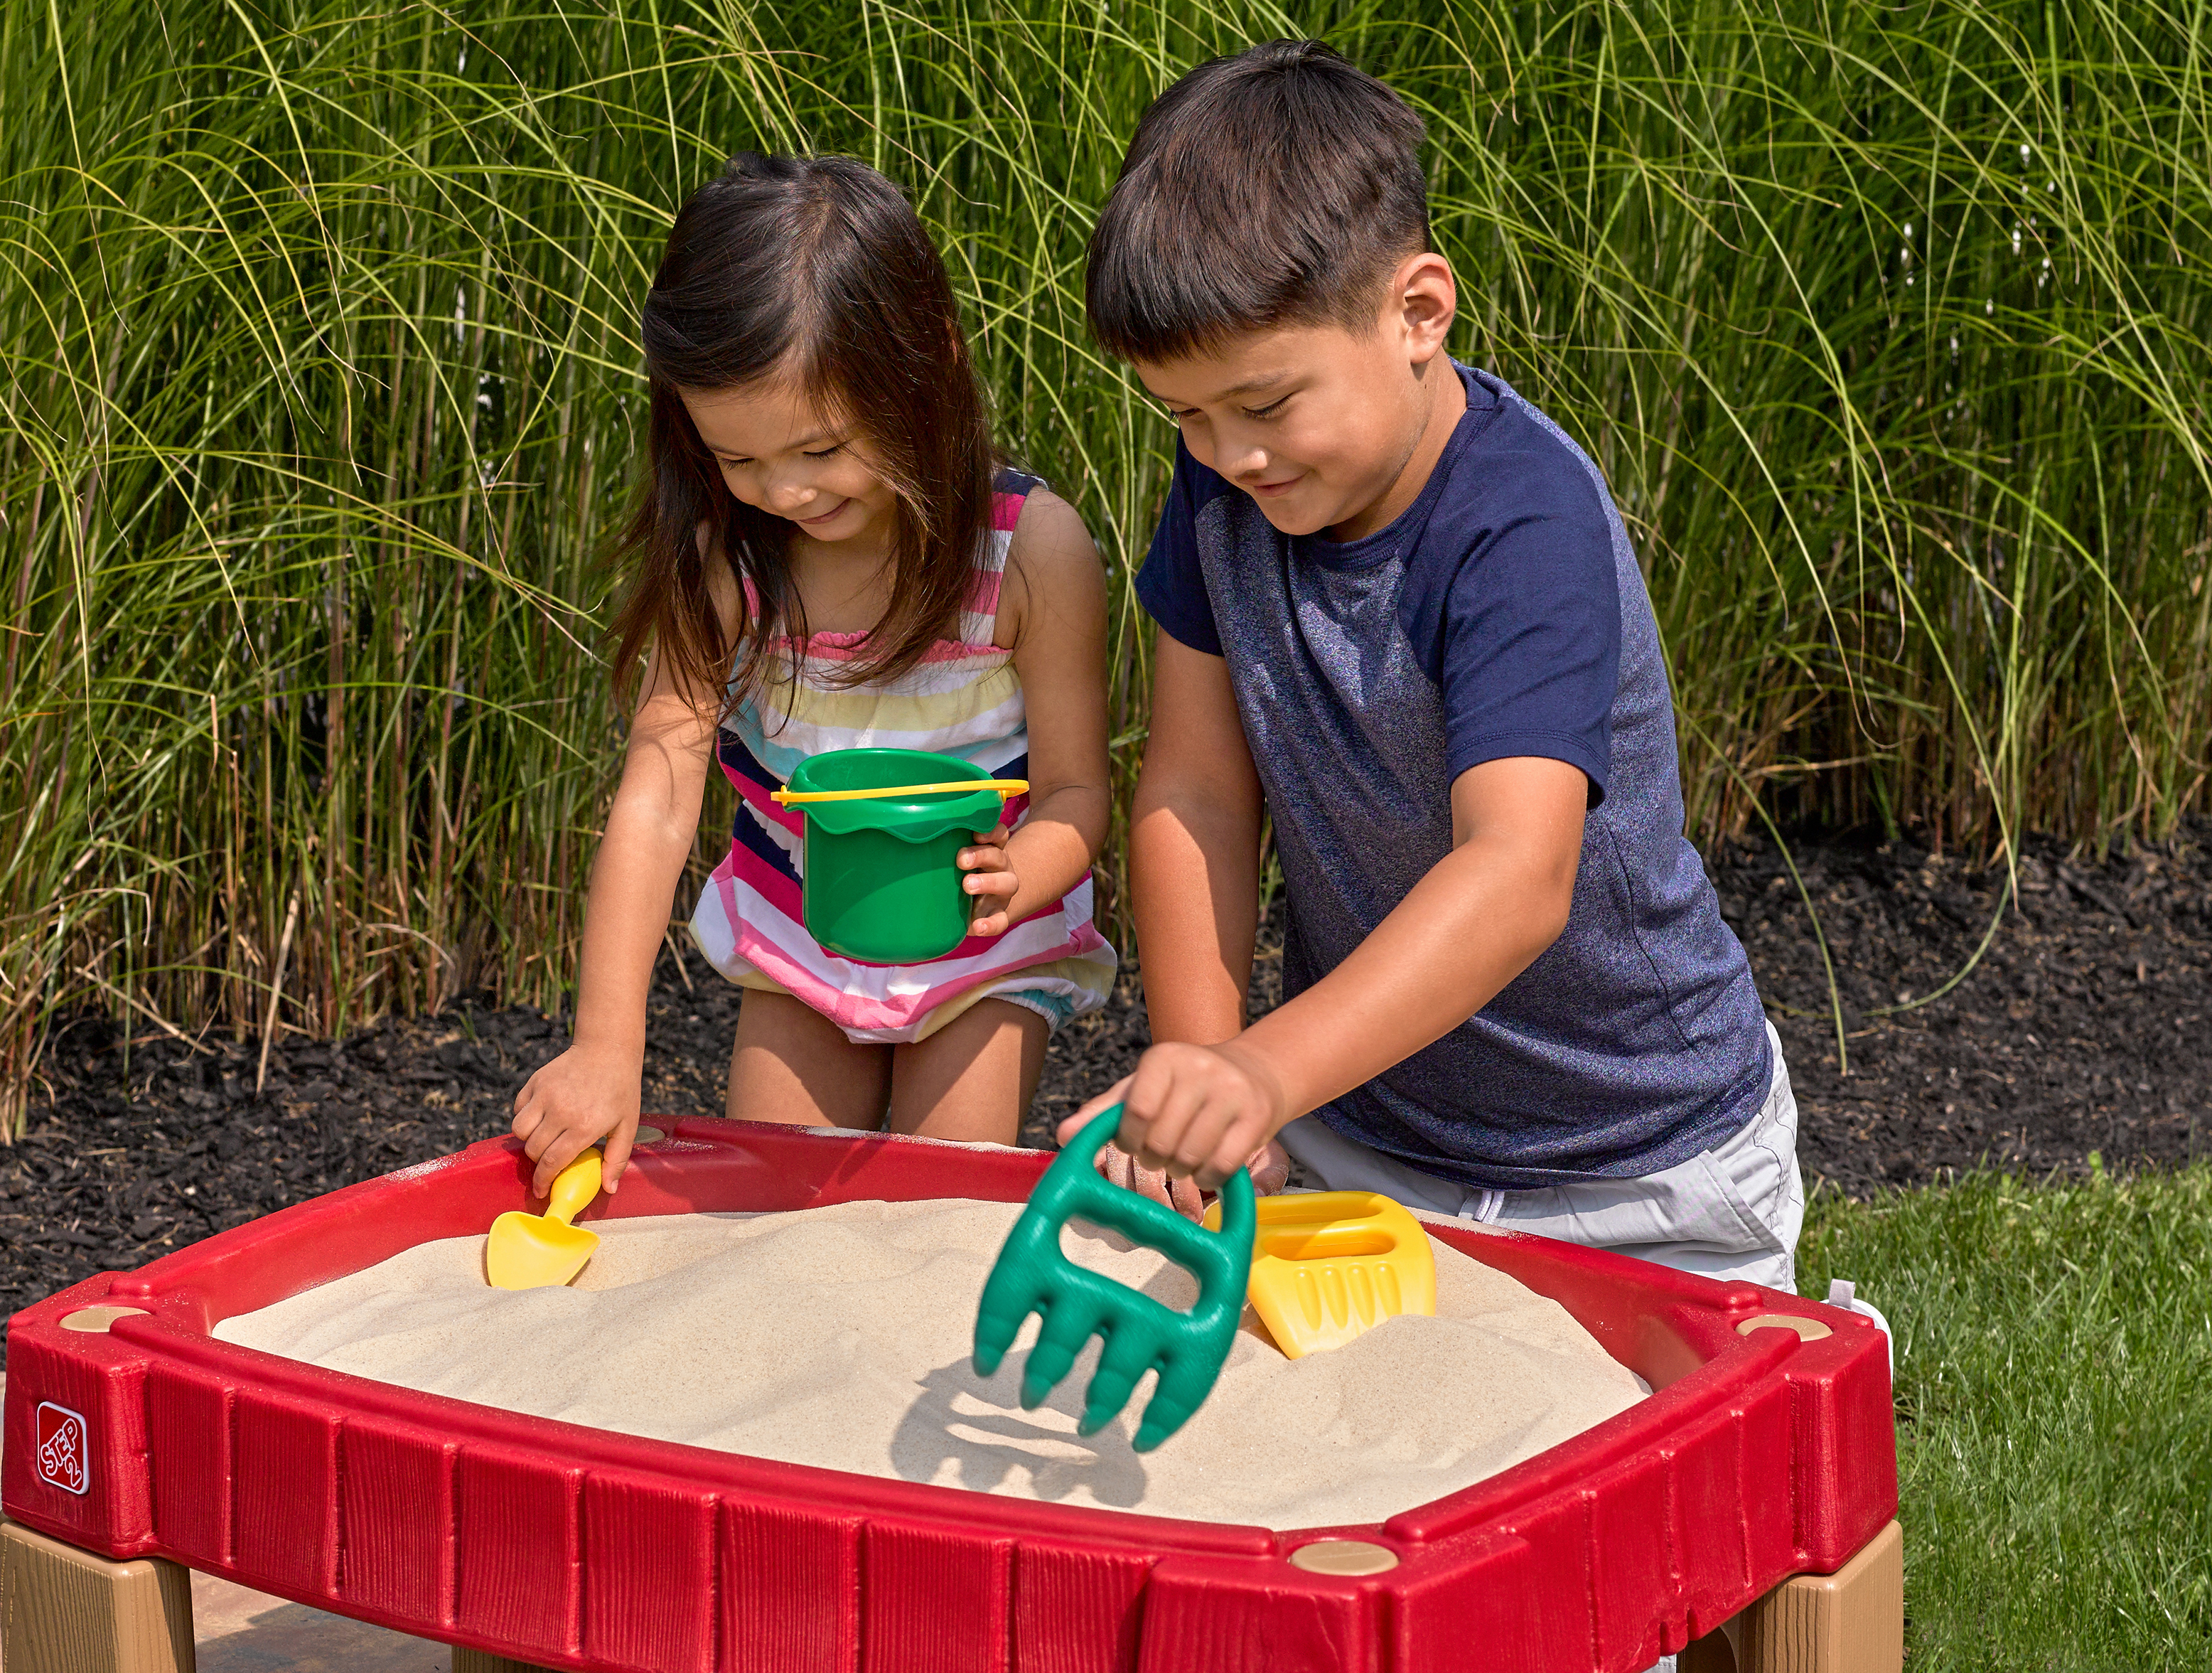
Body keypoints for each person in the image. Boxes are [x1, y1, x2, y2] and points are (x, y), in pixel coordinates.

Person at [1065, 41, 1803, 1317]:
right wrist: (1205, 1061)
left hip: (1642, 1167)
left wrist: (1263, 1074)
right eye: (1183, 416)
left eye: (1266, 402)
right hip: (1369, 1146)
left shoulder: (1522, 527)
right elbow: (1194, 789)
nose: (1230, 455)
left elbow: (1517, 877)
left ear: (1419, 312)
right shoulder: (1227, 489)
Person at [511, 154, 1117, 1199]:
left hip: (984, 950)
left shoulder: (1029, 553)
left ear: (925, 364)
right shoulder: (730, 563)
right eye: (738, 461)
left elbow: (1077, 789)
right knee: (778, 1212)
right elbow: (660, 791)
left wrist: (1032, 871)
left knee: (945, 1203)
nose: (784, 492)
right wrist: (607, 1045)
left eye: (823, 448)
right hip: (797, 933)